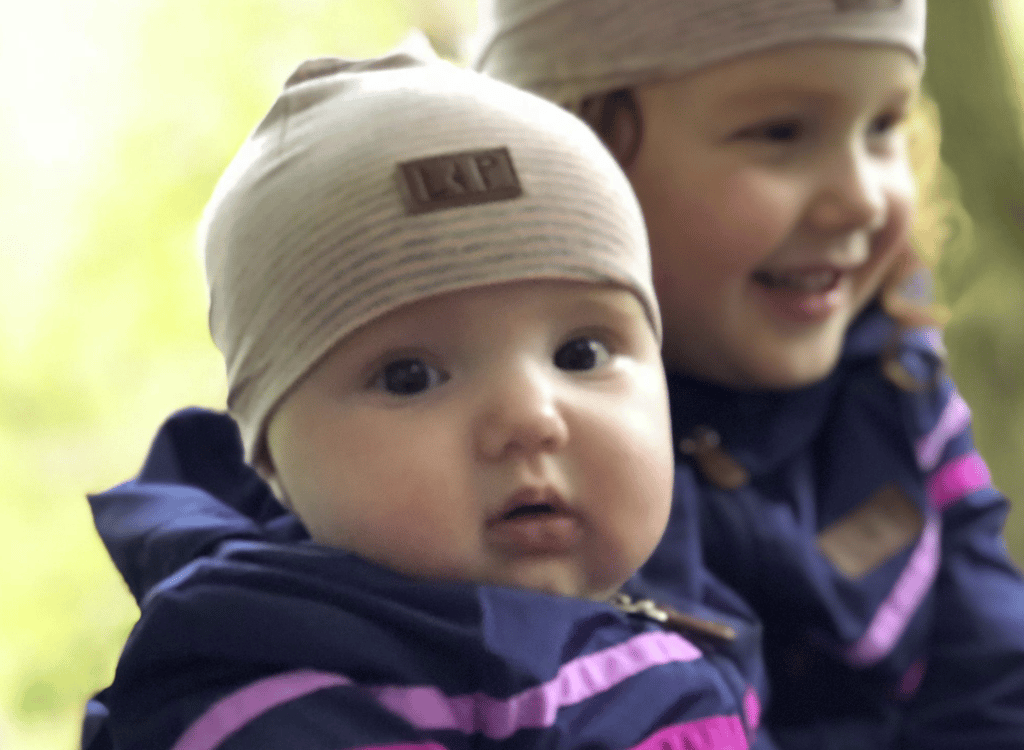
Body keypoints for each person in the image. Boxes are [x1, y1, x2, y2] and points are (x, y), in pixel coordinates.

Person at [82, 39, 777, 750]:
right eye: (409, 376)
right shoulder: (273, 711)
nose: (530, 417)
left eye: (581, 354)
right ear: (273, 464)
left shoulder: (664, 629)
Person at [472, 0, 1024, 747]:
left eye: (884, 127)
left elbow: (993, 672)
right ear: (571, 159)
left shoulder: (895, 373)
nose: (860, 196)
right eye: (781, 133)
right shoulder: (509, 458)